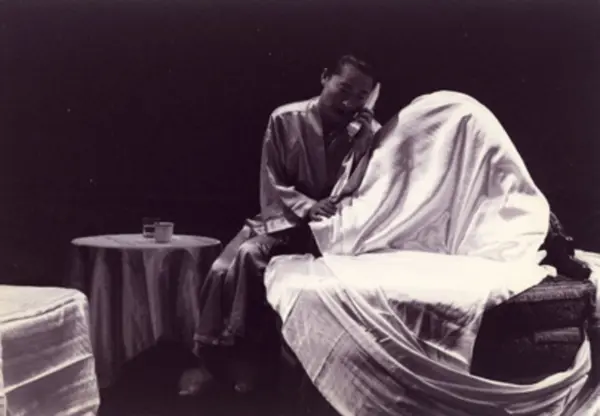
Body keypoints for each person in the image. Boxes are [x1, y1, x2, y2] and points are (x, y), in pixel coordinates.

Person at [181, 54, 382, 395]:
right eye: (343, 88)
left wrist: (361, 146)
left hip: (333, 231)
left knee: (249, 257)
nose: (349, 102)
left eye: (361, 96)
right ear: (325, 77)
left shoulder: (369, 134)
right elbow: (272, 179)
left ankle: (251, 363)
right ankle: (215, 363)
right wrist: (307, 207)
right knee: (220, 269)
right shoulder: (285, 119)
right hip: (283, 219)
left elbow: (365, 189)